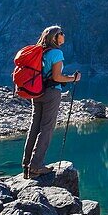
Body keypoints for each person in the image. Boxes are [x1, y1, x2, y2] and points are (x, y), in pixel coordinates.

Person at [22, 25, 81, 178]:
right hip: (51, 93)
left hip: (37, 93)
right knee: (46, 129)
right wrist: (73, 78)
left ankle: (26, 166)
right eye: (61, 33)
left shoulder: (40, 52)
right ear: (55, 37)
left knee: (34, 128)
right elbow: (56, 77)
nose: (64, 35)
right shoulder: (56, 53)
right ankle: (36, 166)